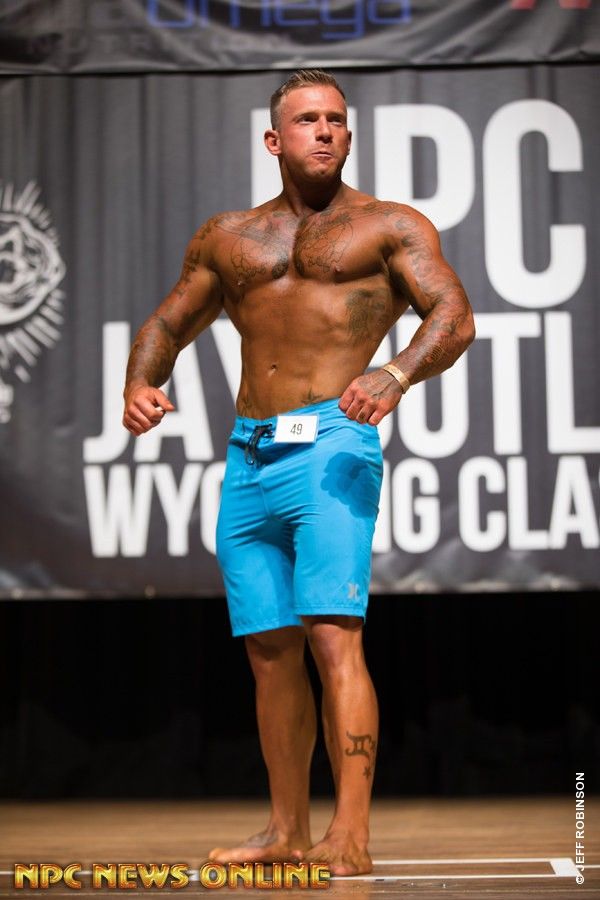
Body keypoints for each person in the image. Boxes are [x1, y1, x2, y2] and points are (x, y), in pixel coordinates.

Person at [122, 69, 475, 876]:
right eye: (308, 119)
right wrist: (141, 383)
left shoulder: (388, 227)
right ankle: (285, 829)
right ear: (274, 140)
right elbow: (168, 323)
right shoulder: (230, 237)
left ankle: (349, 834)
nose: (325, 130)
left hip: (332, 441)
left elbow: (454, 315)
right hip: (249, 454)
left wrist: (396, 373)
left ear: (348, 135)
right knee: (269, 649)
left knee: (331, 635)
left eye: (336, 120)